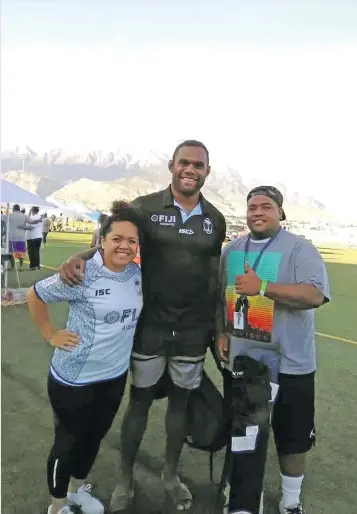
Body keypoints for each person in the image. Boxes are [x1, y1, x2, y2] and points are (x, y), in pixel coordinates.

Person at [58, 140, 226, 512]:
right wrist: (79, 256)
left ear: (207, 172)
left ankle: (170, 474)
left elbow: (215, 279)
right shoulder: (146, 208)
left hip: (193, 330)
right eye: (184, 163)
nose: (190, 170)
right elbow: (111, 239)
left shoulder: (215, 219)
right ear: (171, 165)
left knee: (181, 404)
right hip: (149, 324)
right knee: (140, 401)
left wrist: (219, 328)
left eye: (198, 165)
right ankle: (125, 479)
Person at [216, 185, 330, 514]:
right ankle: (243, 497)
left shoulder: (300, 249)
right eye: (252, 206)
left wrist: (263, 287)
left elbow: (314, 296)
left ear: (280, 211)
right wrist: (221, 331)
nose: (258, 212)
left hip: (291, 363)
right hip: (245, 362)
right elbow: (222, 296)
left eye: (266, 206)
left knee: (291, 436)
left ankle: (290, 499)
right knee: (244, 432)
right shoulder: (232, 249)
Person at [26, 202, 143, 514]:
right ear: (102, 239)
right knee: (68, 442)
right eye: (117, 238)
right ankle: (58, 505)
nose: (124, 246)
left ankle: (78, 490)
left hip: (114, 375)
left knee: (94, 437)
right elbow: (35, 294)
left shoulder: (136, 274)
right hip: (75, 377)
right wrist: (50, 333)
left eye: (131, 241)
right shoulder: (82, 273)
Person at [8, 204, 42, 271]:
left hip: (12, 237)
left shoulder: (9, 216)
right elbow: (32, 222)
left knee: (12, 253)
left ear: (13, 209)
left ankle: (12, 267)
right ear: (19, 209)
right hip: (21, 237)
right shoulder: (24, 216)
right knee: (21, 253)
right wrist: (39, 220)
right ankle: (21, 267)